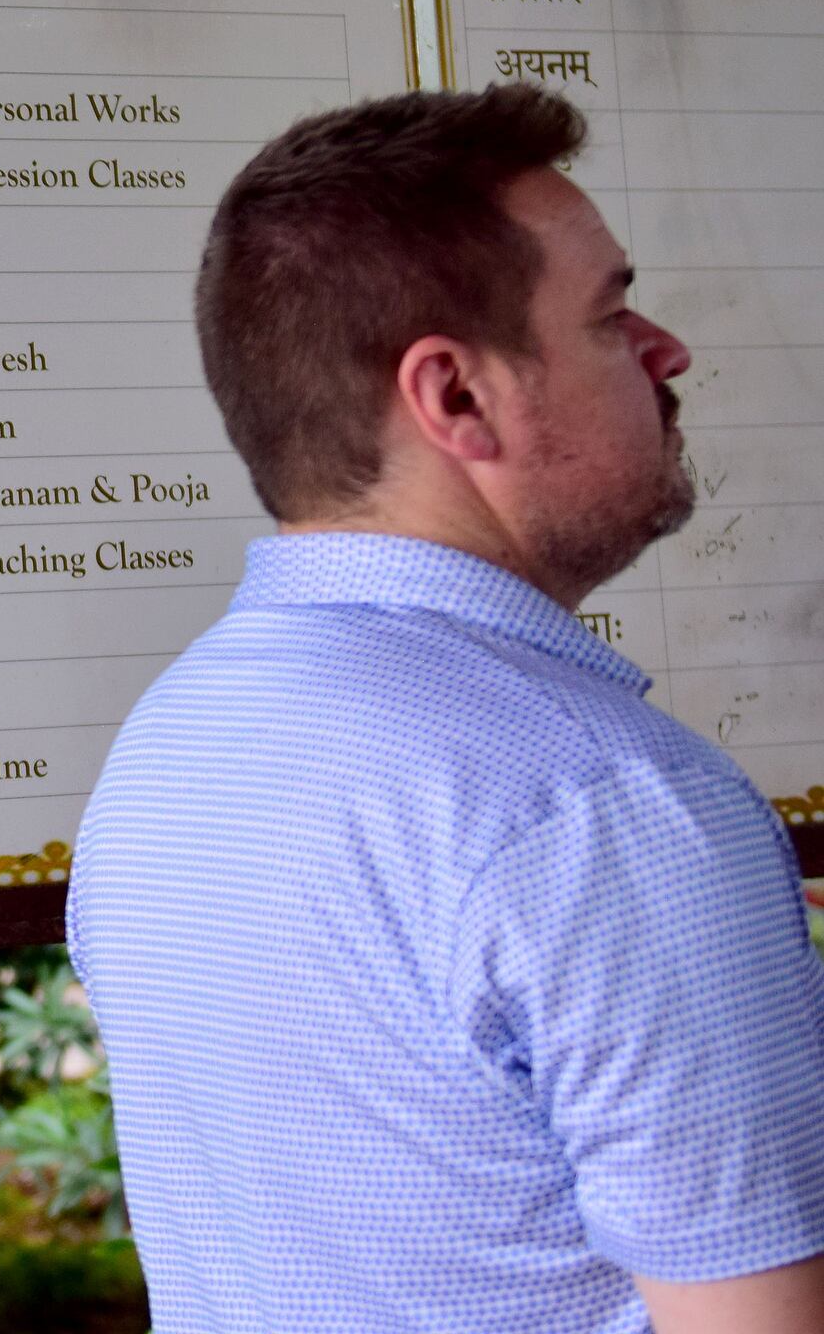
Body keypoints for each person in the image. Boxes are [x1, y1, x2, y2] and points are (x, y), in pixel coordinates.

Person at [70, 84, 824, 1333]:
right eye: (608, 313)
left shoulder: (168, 747)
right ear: (457, 397)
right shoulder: (609, 810)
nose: (665, 348)